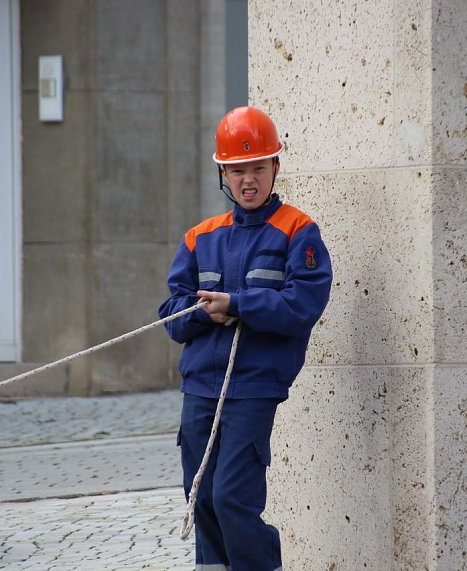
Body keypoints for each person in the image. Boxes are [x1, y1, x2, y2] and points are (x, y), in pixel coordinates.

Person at [158, 106, 332, 571]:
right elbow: (172, 318)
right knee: (204, 501)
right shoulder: (200, 237)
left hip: (253, 388)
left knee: (233, 499)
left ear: (276, 166)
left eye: (257, 168)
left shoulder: (299, 231)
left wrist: (237, 304)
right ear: (223, 173)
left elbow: (302, 307)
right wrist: (204, 315)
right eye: (237, 170)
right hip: (200, 390)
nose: (248, 180)